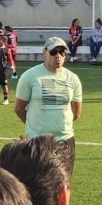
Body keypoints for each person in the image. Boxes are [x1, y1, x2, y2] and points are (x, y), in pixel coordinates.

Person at [13, 37, 84, 177]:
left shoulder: (72, 79)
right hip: (37, 141)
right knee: (38, 185)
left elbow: (76, 113)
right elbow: (19, 109)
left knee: (64, 185)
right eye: (54, 52)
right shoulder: (30, 76)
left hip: (65, 141)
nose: (58, 56)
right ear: (44, 52)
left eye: (62, 52)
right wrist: (35, 126)